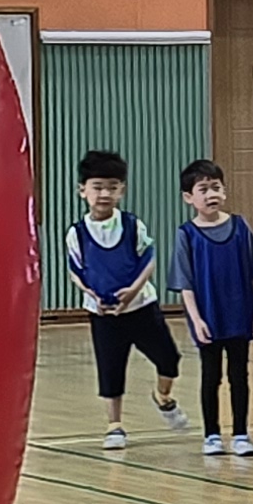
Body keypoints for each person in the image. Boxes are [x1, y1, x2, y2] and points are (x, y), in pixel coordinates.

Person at [67, 149, 180, 446]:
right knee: (110, 366)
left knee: (169, 358)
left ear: (122, 190)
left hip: (141, 307)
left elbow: (148, 259)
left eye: (112, 187)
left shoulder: (132, 225)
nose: (104, 193)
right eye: (97, 186)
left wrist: (132, 292)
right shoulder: (77, 233)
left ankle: (162, 395)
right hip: (103, 313)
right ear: (83, 191)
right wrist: (90, 292)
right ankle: (114, 425)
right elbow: (76, 270)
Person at [176, 160, 253, 456]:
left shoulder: (240, 227)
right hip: (208, 317)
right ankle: (211, 434)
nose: (211, 194)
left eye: (216, 187)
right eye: (203, 189)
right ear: (189, 197)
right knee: (210, 376)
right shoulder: (186, 234)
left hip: (239, 315)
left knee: (239, 375)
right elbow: (185, 283)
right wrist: (196, 319)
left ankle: (241, 433)